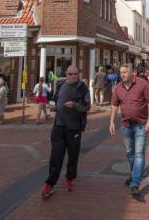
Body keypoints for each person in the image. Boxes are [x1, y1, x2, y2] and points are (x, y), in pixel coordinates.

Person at [41, 66, 90, 199]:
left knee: (73, 155)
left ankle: (70, 178)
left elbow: (87, 106)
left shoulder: (82, 87)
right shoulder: (60, 84)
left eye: (76, 74)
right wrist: (55, 107)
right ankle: (50, 183)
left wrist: (74, 105)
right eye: (70, 74)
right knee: (56, 156)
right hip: (58, 126)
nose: (73, 76)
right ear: (66, 74)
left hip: (74, 127)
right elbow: (57, 101)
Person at [110, 64, 149, 196]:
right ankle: (134, 174)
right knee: (130, 153)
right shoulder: (118, 87)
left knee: (139, 153)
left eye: (125, 72)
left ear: (132, 72)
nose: (122, 74)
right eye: (121, 72)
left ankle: (135, 183)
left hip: (141, 124)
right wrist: (111, 122)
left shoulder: (142, 84)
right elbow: (114, 106)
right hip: (126, 125)